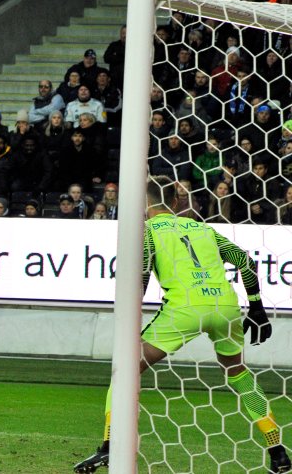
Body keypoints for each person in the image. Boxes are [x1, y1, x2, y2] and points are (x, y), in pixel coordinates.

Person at [73, 175, 290, 473]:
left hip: (185, 309)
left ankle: (109, 446)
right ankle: (277, 450)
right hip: (225, 305)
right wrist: (256, 306)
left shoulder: (147, 231)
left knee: (126, 369)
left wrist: (130, 314)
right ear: (176, 202)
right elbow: (244, 261)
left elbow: (144, 274)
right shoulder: (202, 228)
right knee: (238, 373)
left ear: (142, 203)